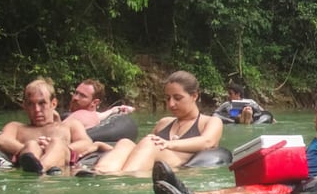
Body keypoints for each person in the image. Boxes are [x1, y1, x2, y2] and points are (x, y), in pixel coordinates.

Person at [152, 84, 317, 194]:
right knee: (250, 183)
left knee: (248, 191)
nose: (314, 120)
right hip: (290, 180)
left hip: (295, 189)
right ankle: (183, 188)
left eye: (315, 113)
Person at [87, 71, 223, 174]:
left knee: (150, 142)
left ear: (194, 96)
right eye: (168, 98)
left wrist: (168, 144)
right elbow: (138, 151)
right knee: (125, 142)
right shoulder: (164, 123)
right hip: (150, 161)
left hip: (179, 166)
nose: (171, 104)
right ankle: (99, 173)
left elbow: (207, 142)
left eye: (177, 98)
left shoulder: (210, 121)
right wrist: (103, 146)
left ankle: (125, 180)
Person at [0, 77, 109, 174]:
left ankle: (40, 169)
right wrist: (30, 148)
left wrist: (56, 148)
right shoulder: (16, 127)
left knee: (56, 143)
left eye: (42, 103)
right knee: (32, 145)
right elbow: (1, 140)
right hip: (31, 158)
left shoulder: (69, 125)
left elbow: (86, 142)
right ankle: (38, 167)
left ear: (53, 104)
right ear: (24, 106)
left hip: (61, 168)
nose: (36, 110)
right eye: (31, 104)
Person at [66, 78, 135, 128]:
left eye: (83, 96)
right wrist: (112, 111)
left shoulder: (87, 117)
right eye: (76, 93)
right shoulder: (99, 116)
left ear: (95, 102)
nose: (75, 98)